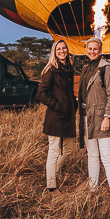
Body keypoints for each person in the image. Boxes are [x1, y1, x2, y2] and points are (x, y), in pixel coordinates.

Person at [78, 37, 110, 205]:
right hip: (88, 117)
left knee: (107, 158)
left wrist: (107, 117)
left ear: (100, 50)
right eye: (89, 48)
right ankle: (93, 189)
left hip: (103, 118)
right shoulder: (85, 67)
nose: (92, 51)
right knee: (92, 156)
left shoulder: (106, 68)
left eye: (95, 49)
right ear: (86, 49)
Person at [36, 40, 77, 194]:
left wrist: (73, 104)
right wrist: (58, 106)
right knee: (54, 151)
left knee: (69, 149)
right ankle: (51, 186)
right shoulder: (51, 71)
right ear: (54, 52)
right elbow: (41, 94)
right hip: (56, 116)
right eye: (59, 49)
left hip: (68, 116)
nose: (62, 51)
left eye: (64, 48)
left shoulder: (68, 69)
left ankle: (52, 173)